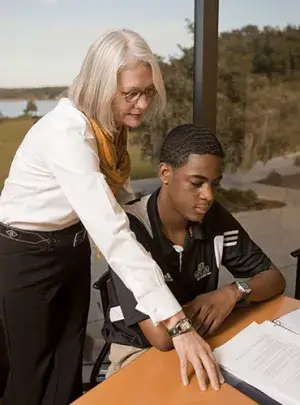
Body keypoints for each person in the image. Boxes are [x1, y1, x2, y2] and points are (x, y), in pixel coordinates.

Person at [0, 31, 222, 405]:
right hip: (24, 255)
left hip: (70, 249)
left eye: (147, 92)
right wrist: (178, 325)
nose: (141, 104)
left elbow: (120, 197)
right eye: (131, 93)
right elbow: (113, 233)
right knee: (29, 376)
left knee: (67, 367)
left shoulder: (107, 127)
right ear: (102, 85)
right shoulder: (67, 133)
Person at [102, 123, 286, 378]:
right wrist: (204, 310)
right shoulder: (130, 228)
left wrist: (232, 293)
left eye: (215, 184)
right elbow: (162, 338)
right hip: (137, 352)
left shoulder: (213, 217)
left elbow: (274, 278)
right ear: (165, 173)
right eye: (197, 183)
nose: (208, 195)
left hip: (201, 337)